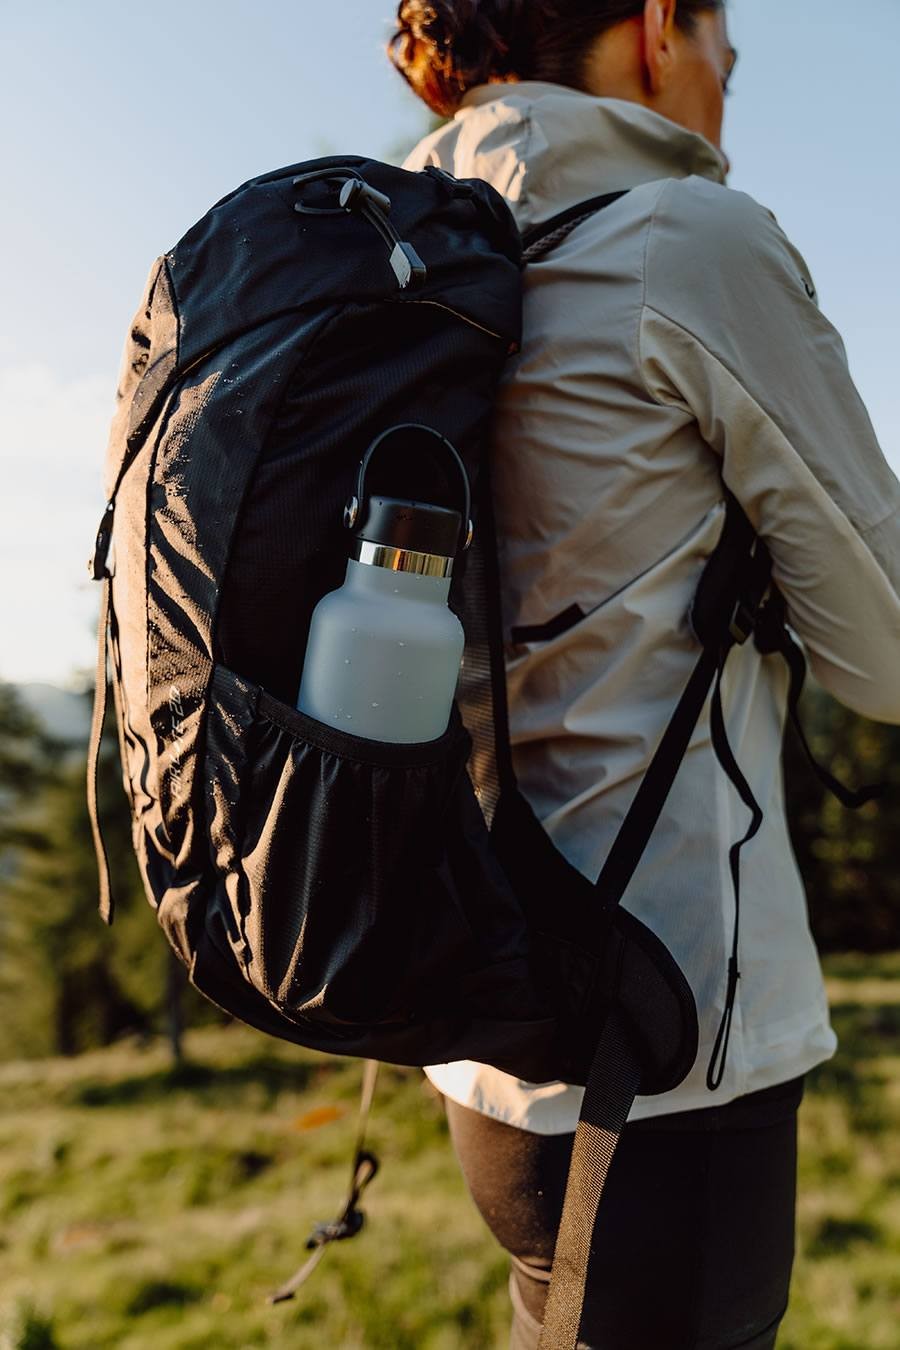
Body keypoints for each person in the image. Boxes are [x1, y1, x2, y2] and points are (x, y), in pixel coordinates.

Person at [387, 2, 900, 1347]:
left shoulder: (413, 258)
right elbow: (888, 652)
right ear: (661, 27)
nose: (733, 76)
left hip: (487, 1045)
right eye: (732, 38)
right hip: (675, 1052)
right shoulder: (689, 242)